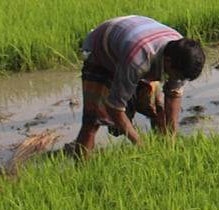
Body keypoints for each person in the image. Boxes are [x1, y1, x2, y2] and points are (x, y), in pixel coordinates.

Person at [66, 15, 205, 158]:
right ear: (168, 63)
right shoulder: (138, 60)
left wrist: (172, 138)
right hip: (100, 55)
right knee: (93, 120)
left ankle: (163, 154)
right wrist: (139, 143)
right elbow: (114, 107)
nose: (179, 80)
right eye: (178, 77)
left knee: (158, 109)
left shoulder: (181, 53)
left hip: (134, 42)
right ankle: (83, 170)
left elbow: (173, 95)